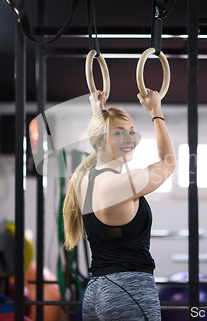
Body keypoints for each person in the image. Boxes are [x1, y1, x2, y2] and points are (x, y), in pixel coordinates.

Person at [62, 89, 176, 321]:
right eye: (119, 133)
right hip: (129, 291)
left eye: (132, 132)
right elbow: (168, 162)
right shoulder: (125, 182)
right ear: (99, 141)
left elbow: (102, 152)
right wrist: (156, 110)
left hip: (96, 292)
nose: (129, 139)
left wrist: (99, 114)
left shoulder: (83, 179)